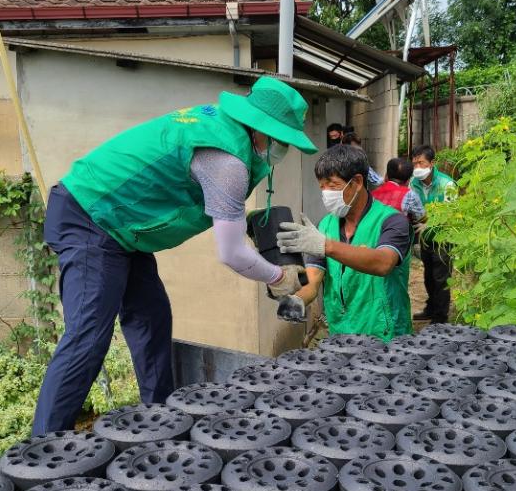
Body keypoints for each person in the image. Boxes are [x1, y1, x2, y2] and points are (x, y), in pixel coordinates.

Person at [32, 76, 317, 434]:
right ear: (261, 130)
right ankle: (40, 449)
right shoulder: (227, 162)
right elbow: (230, 253)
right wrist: (278, 276)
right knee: (89, 335)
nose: (282, 151)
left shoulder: (222, 129)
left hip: (123, 227)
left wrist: (245, 221)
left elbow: (201, 198)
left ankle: (160, 420)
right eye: (282, 141)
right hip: (92, 216)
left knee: (152, 318)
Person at [274, 145, 413, 341]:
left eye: (332, 185)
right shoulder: (326, 225)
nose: (326, 193)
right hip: (341, 336)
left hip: (385, 337)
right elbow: (313, 279)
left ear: (356, 182)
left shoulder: (392, 221)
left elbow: (383, 263)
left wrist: (326, 246)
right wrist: (297, 299)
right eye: (321, 186)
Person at [410, 144, 457, 324]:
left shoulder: (447, 184)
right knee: (429, 275)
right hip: (424, 238)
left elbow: (451, 214)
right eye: (414, 164)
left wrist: (430, 224)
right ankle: (431, 309)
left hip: (443, 238)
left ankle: (440, 318)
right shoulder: (413, 183)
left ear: (432, 163)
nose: (417, 168)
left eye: (421, 163)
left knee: (441, 277)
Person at [373, 158, 425, 227]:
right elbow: (422, 218)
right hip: (396, 234)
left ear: (386, 176)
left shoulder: (372, 194)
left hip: (373, 235)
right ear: (408, 180)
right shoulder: (410, 195)